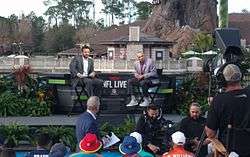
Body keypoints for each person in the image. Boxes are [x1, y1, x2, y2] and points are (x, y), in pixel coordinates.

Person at [205, 64, 250, 157]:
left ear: (223, 80)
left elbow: (210, 133)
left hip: (229, 151)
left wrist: (213, 109)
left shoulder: (219, 100)